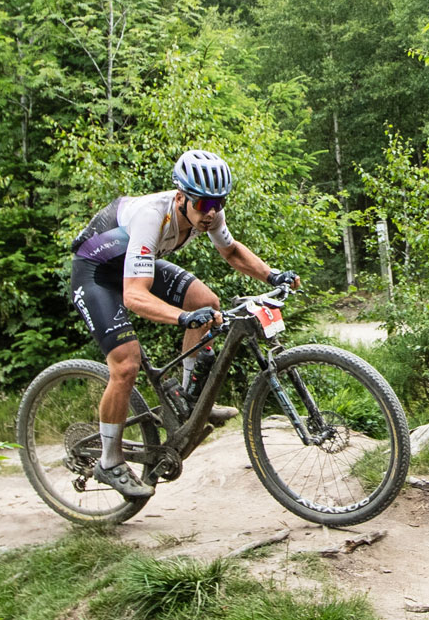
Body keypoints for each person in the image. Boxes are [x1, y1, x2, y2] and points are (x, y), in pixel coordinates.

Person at [68, 149, 296, 499]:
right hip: (96, 274)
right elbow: (134, 295)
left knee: (207, 301)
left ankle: (187, 401)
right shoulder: (151, 217)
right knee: (126, 364)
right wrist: (183, 317)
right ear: (180, 198)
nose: (211, 212)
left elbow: (231, 251)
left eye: (218, 203)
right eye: (203, 204)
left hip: (132, 263)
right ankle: (109, 461)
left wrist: (273, 275)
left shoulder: (209, 212)